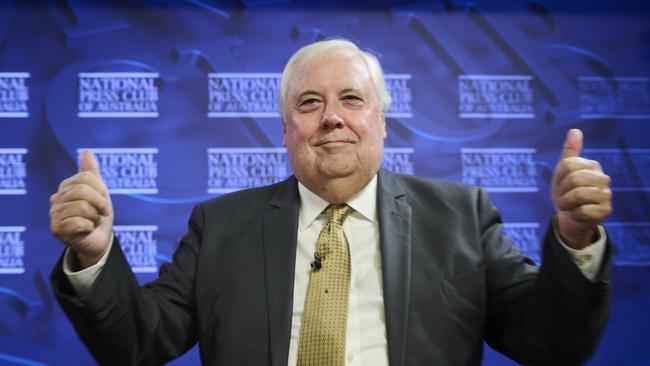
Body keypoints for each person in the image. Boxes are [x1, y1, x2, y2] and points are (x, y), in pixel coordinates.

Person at [49, 39, 613, 366]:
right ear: (286, 129)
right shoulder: (220, 226)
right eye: (310, 102)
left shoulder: (459, 216)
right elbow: (139, 342)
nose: (332, 117)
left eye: (351, 99)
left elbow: (552, 343)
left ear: (382, 123)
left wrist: (575, 240)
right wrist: (93, 255)